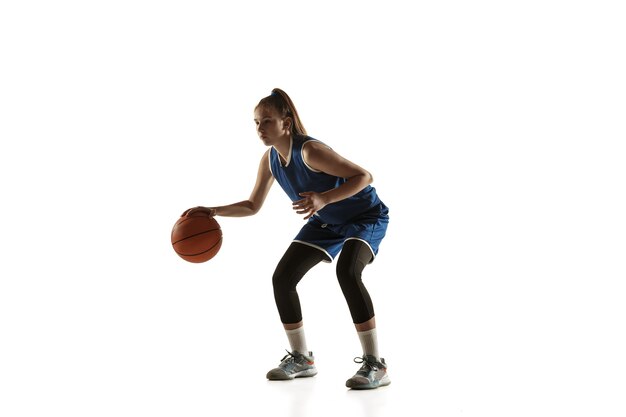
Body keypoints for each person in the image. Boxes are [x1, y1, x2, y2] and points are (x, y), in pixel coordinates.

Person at [182, 88, 390, 389]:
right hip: (326, 221)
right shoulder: (270, 160)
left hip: (365, 216)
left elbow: (364, 176)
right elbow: (252, 206)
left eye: (267, 121)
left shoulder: (310, 152)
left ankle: (376, 364)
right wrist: (212, 211)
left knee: (347, 272)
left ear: (286, 123)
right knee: (282, 278)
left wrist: (324, 198)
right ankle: (301, 358)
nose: (260, 128)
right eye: (256, 122)